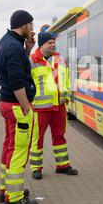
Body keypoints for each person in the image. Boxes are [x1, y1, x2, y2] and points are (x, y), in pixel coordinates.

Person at [0, 10, 38, 204]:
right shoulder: (14, 47)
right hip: (16, 105)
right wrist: (26, 107)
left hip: (7, 103)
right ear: (23, 25)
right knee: (19, 150)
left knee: (9, 147)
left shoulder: (6, 42)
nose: (33, 28)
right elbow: (16, 81)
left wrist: (28, 49)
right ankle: (14, 197)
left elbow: (17, 68)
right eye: (31, 24)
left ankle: (6, 189)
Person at [28, 31, 78, 180]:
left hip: (59, 106)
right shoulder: (32, 60)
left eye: (54, 42)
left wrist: (67, 97)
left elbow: (66, 79)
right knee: (38, 138)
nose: (53, 44)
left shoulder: (60, 59)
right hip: (40, 108)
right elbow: (27, 84)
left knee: (59, 136)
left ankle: (62, 166)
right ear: (42, 44)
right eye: (50, 42)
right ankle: (36, 167)